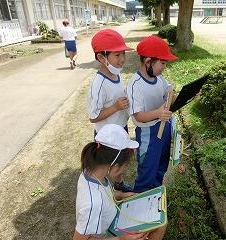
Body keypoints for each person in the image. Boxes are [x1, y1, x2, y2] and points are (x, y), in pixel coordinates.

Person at [73, 124, 167, 240]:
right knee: (160, 225)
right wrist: (122, 239)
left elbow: (104, 194)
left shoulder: (91, 172)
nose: (125, 169)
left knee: (159, 222)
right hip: (108, 233)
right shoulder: (93, 205)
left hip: (114, 219)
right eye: (125, 166)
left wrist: (122, 195)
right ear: (115, 166)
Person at [126, 35, 178, 193]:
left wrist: (183, 95)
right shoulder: (135, 84)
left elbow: (167, 98)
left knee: (161, 165)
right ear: (148, 61)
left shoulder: (159, 79)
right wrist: (157, 113)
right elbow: (138, 116)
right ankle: (140, 202)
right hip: (148, 133)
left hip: (164, 128)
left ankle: (154, 196)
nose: (164, 67)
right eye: (162, 63)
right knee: (147, 170)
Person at [87, 29, 132, 192]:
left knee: (119, 164)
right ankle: (106, 192)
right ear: (101, 57)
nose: (122, 60)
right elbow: (93, 117)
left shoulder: (117, 75)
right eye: (117, 55)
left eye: (123, 54)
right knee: (107, 167)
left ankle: (119, 186)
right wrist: (115, 107)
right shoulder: (98, 84)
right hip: (106, 136)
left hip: (120, 129)